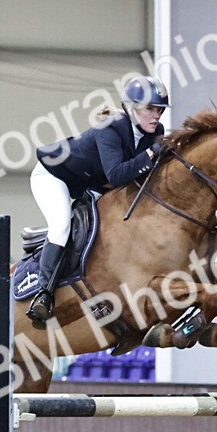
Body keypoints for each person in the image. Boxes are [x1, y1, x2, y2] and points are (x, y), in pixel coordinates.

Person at [26, 75, 169, 328]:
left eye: (159, 110)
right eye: (150, 109)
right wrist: (149, 154)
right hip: (53, 175)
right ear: (132, 108)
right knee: (61, 226)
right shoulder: (110, 129)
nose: (156, 115)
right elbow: (116, 175)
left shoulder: (155, 132)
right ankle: (44, 294)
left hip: (89, 185)